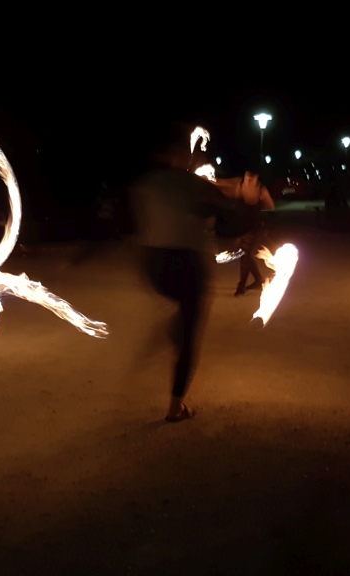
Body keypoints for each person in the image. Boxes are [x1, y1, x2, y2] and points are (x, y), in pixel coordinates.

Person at [130, 124, 235, 422]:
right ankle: (176, 407)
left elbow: (131, 226)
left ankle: (176, 324)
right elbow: (222, 212)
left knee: (182, 312)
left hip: (155, 265)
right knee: (190, 334)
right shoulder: (191, 184)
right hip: (186, 264)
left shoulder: (145, 184)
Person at [220, 171, 274, 296]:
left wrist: (260, 203)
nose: (248, 179)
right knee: (246, 254)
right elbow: (221, 183)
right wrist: (206, 177)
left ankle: (241, 286)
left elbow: (270, 206)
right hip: (241, 226)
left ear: (256, 178)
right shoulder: (239, 185)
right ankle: (258, 279)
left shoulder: (261, 190)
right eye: (247, 176)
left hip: (254, 227)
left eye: (251, 177)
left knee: (244, 254)